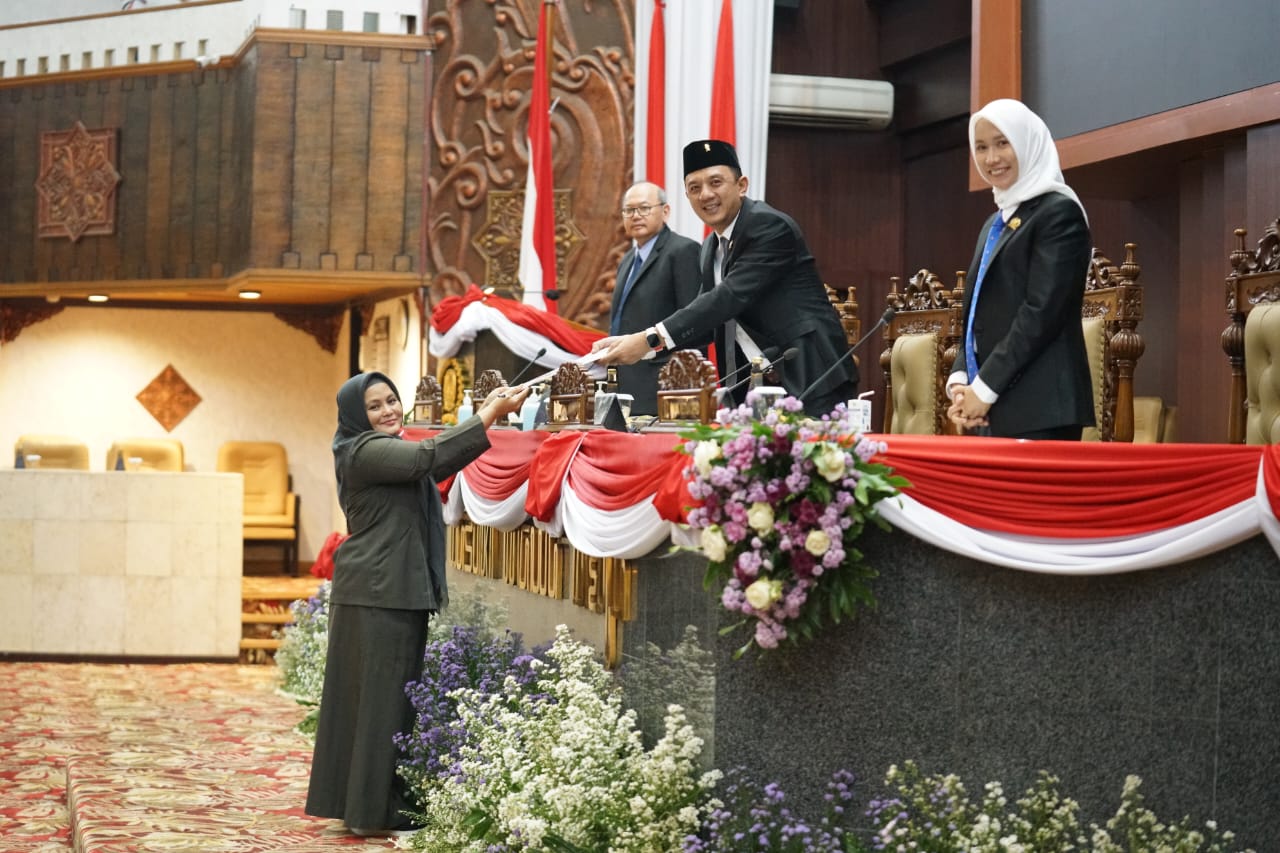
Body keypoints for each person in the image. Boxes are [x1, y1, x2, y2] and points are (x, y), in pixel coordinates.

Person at [305, 371, 527, 837]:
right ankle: (370, 811)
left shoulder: (380, 450)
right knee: (380, 704)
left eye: (391, 400)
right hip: (378, 591)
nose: (388, 410)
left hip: (383, 590)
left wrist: (486, 415)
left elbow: (433, 462)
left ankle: (366, 805)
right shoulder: (363, 450)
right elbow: (429, 457)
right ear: (355, 414)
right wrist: (489, 412)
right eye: (374, 406)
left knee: (378, 703)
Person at [592, 139, 858, 416]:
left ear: (741, 185)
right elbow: (706, 326)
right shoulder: (710, 247)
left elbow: (727, 298)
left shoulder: (768, 226)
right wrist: (634, 344)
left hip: (811, 376)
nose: (706, 195)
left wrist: (647, 339)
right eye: (695, 188)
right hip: (756, 386)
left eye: (715, 182)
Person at [946, 99, 1095, 440]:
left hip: (1040, 409)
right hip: (989, 405)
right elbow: (976, 314)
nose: (991, 158)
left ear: (1027, 142)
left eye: (1002, 143)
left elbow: (1041, 313)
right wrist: (962, 381)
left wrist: (984, 388)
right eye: (981, 147)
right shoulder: (995, 222)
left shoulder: (1059, 213)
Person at [608, 181, 703, 414]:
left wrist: (683, 382)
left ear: (665, 211)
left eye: (644, 208)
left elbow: (694, 322)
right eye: (629, 210)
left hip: (665, 382)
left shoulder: (683, 251)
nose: (636, 216)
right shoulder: (627, 260)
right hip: (624, 381)